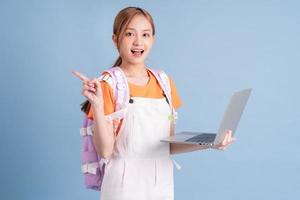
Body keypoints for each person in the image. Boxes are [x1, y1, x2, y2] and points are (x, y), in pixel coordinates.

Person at [72, 6, 235, 200]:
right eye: (129, 33)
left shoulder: (165, 82)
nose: (138, 42)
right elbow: (106, 151)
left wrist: (211, 143)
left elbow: (168, 145)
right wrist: (97, 105)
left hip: (161, 185)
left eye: (145, 34)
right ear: (116, 39)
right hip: (123, 187)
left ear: (153, 40)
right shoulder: (108, 85)